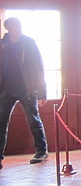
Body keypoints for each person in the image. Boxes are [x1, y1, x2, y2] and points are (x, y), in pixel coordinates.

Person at [0, 17, 49, 168]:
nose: (14, 29)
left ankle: (42, 150)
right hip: (6, 88)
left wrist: (42, 92)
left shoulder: (28, 42)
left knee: (33, 120)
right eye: (11, 27)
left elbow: (38, 67)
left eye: (16, 26)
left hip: (26, 88)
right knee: (1, 122)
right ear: (7, 28)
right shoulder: (3, 44)